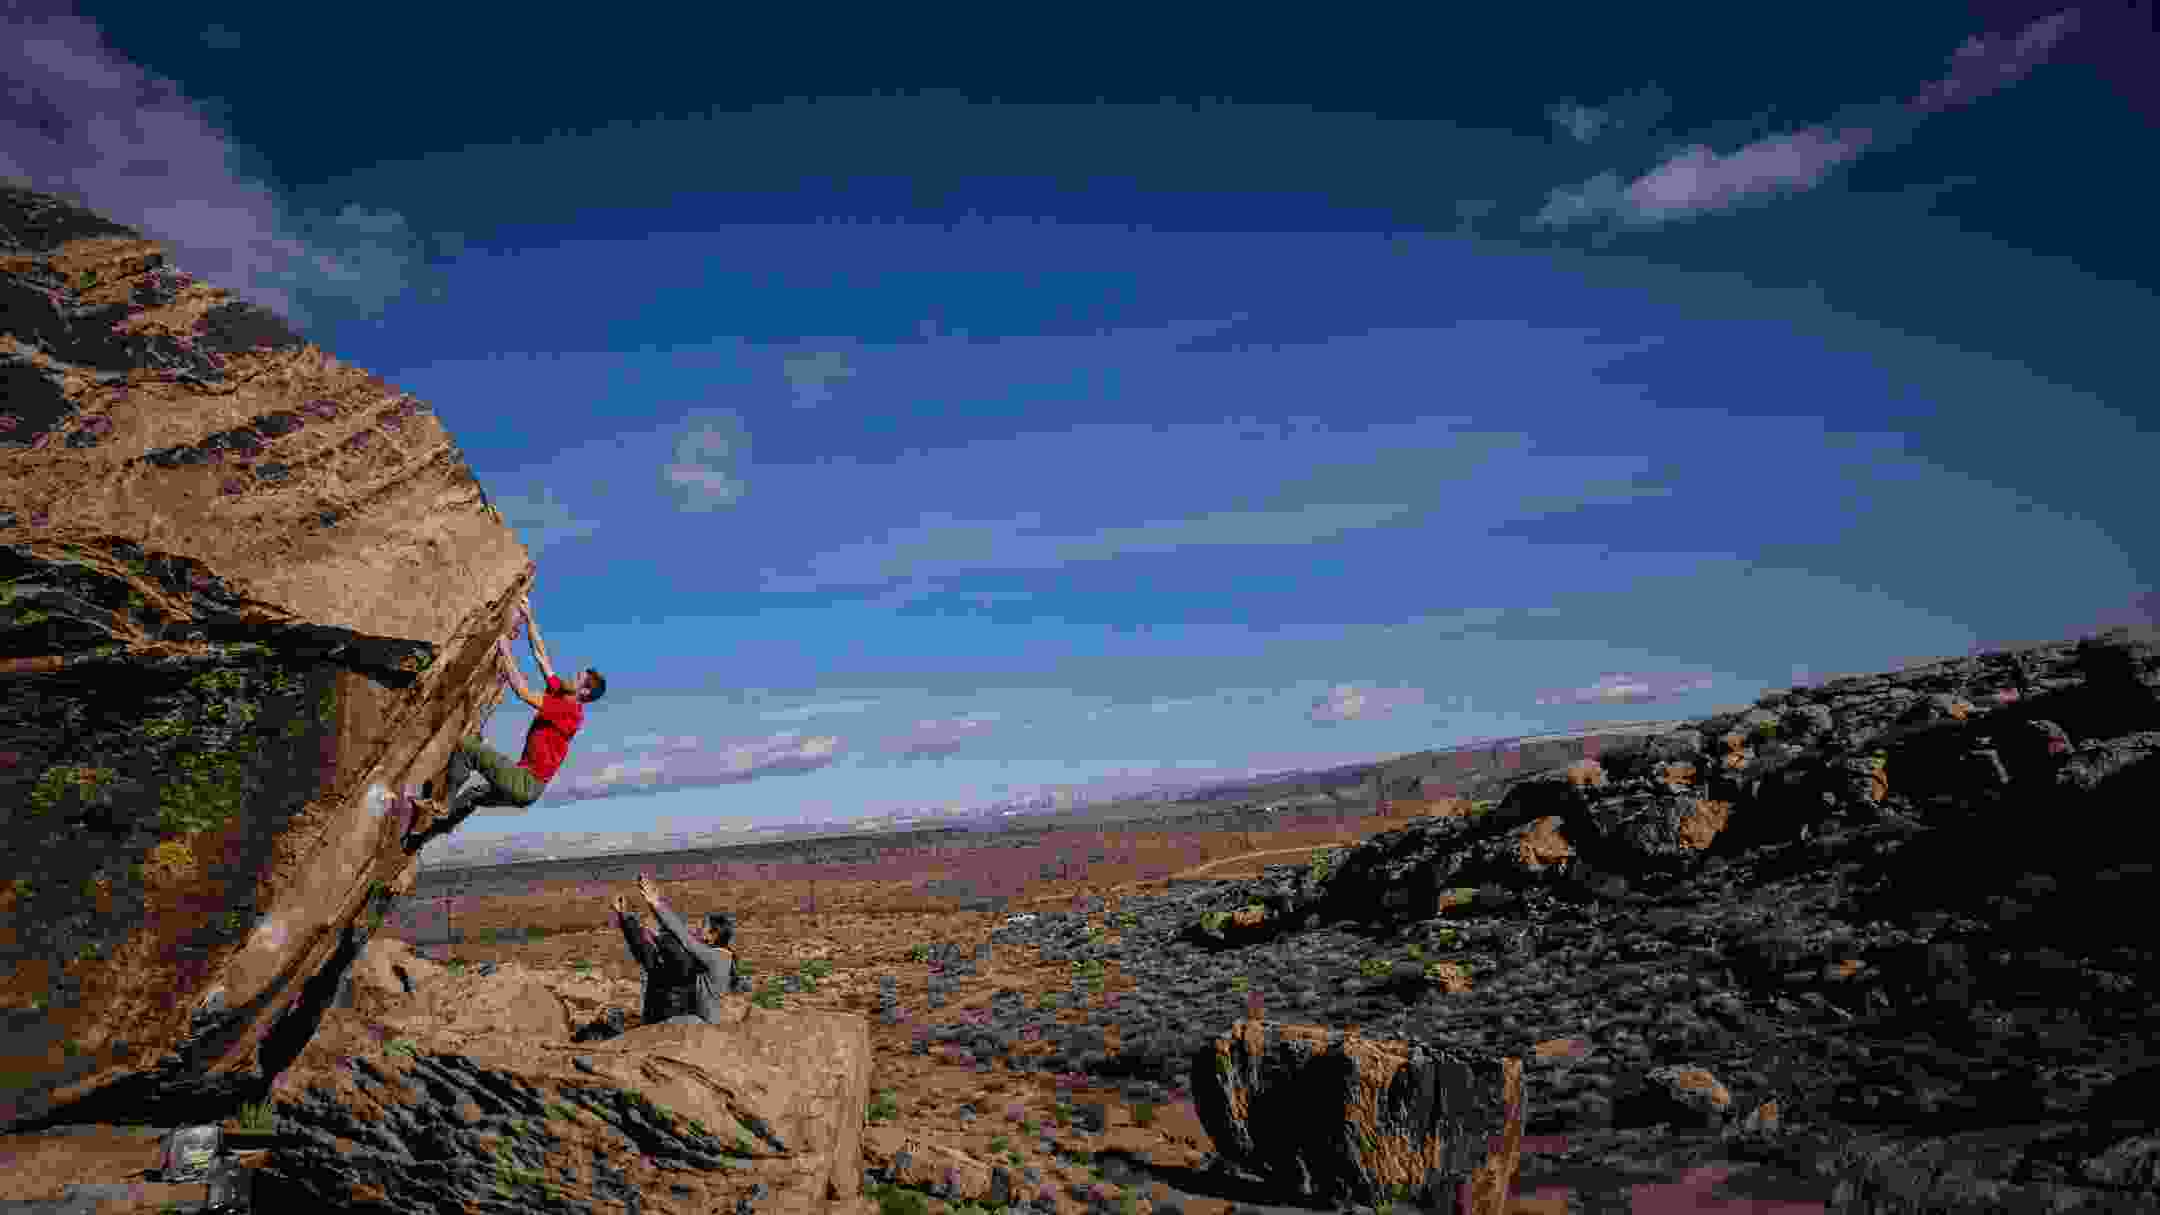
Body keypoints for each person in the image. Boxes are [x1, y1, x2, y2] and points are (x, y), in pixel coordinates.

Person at [406, 591, 605, 849]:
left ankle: (443, 806)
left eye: (578, 678)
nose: (571, 675)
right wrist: (530, 619)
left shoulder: (570, 712)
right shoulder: (562, 694)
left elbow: (522, 691)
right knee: (474, 795)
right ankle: (426, 836)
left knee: (468, 747)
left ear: (584, 692)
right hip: (528, 787)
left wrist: (505, 649)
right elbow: (541, 657)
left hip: (526, 782)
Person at [614, 874, 735, 1027]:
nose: (698, 929)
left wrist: (654, 903)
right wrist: (629, 917)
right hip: (684, 1016)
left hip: (695, 1022)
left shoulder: (710, 957)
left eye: (703, 926)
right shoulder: (720, 956)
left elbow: (680, 935)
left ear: (714, 934)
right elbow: (672, 937)